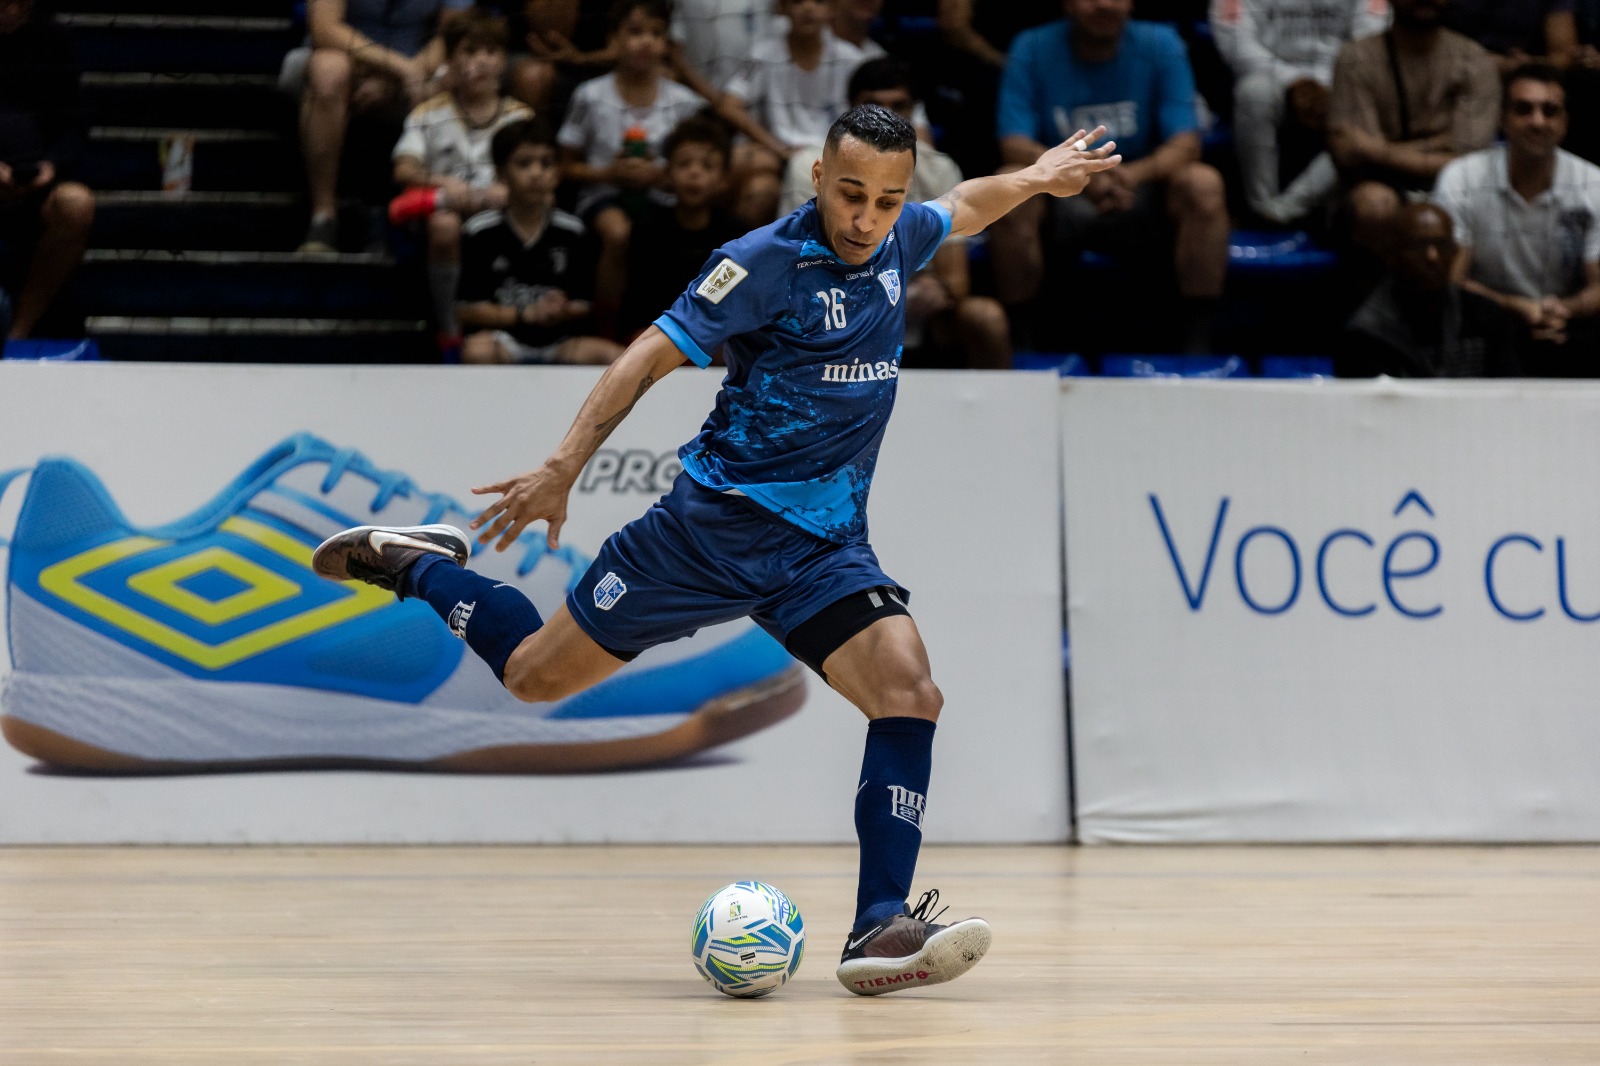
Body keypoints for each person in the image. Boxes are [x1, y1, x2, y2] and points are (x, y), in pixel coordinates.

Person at [312, 104, 1121, 994]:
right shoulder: (762, 263)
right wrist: (562, 466)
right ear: (816, 177)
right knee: (535, 677)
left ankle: (877, 927)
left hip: (823, 549)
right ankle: (417, 564)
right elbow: (646, 358)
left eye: (887, 201)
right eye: (850, 194)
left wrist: (1038, 178)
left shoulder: (898, 242)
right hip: (705, 536)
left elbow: (965, 205)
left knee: (910, 690)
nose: (866, 219)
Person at [987, 0, 1230, 352]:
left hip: (1142, 186)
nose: (1104, 4)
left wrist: (1130, 175)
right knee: (1007, 181)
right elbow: (1014, 144)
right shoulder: (1031, 46)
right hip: (1060, 190)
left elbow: (1186, 143)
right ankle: (1021, 340)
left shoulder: (1162, 43)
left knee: (1203, 184)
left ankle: (1198, 344)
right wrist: (1081, 174)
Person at [778, 58, 1009, 367]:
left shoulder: (938, 168)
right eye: (873, 105)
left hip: (919, 315)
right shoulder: (809, 165)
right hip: (831, 305)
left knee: (985, 318)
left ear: (914, 110)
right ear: (850, 108)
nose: (885, 116)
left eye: (898, 106)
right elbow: (796, 270)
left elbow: (956, 282)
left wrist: (935, 291)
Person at [1433, 62, 1600, 374]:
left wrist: (1562, 309)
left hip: (1566, 323)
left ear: (1565, 122)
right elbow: (1451, 282)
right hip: (1487, 322)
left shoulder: (1594, 184)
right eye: (1524, 109)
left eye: (1550, 111)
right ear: (1503, 120)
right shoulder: (1462, 179)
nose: (1537, 121)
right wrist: (1516, 307)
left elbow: (1598, 285)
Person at [558, 0, 709, 334]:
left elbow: (703, 163)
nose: (646, 42)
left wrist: (661, 175)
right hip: (603, 194)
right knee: (619, 232)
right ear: (614, 38)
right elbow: (565, 167)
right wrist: (607, 174)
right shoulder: (590, 96)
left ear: (667, 44)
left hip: (666, 196)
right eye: (635, 32)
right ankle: (607, 329)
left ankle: (683, 330)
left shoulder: (685, 102)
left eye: (656, 33)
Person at [283, 0, 472, 252]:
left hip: (418, 66)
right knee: (329, 70)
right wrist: (397, 68)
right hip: (345, 58)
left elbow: (452, 33)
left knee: (457, 72)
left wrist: (403, 79)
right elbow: (325, 29)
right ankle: (323, 217)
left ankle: (434, 219)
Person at [390, 9, 533, 341]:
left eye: (490, 52)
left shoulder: (520, 116)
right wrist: (442, 183)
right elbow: (404, 168)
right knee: (444, 225)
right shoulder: (428, 113)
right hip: (448, 208)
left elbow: (540, 171)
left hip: (503, 210)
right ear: (451, 60)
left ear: (503, 60)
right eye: (469, 51)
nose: (480, 62)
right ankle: (447, 328)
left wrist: (508, 190)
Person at [1326, 0, 1500, 253]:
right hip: (1380, 184)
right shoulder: (1356, 57)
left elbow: (1469, 162)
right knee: (1374, 204)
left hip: (1457, 186)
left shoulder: (1474, 60)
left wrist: (1376, 149)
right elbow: (1350, 154)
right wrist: (1443, 140)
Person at [1211, 0, 1391, 225]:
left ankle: (1288, 208)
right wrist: (1293, 82)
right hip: (1270, 77)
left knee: (1368, 105)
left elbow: (1371, 39)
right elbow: (1237, 41)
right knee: (1253, 93)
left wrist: (1333, 85)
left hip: (1342, 78)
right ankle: (1261, 207)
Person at [457, 119, 621, 365]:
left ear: (556, 173)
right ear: (501, 173)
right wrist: (526, 314)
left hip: (561, 342)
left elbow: (585, 304)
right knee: (477, 351)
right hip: (502, 339)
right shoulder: (480, 231)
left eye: (545, 164)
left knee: (613, 356)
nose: (536, 173)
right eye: (524, 164)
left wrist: (561, 310)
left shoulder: (573, 231)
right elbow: (466, 310)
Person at [721, 0, 870, 224]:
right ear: (783, 7)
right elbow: (728, 105)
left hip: (836, 156)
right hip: (778, 154)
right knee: (753, 183)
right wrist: (777, 147)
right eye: (798, 1)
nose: (808, 8)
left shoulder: (851, 59)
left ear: (832, 8)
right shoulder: (765, 54)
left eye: (818, 2)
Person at [1338, 201, 1522, 375]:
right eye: (1419, 246)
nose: (1432, 256)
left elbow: (1509, 395)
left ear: (1455, 252)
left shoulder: (1486, 317)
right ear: (1392, 254)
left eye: (1441, 245)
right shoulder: (1367, 334)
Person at [0, 0, 93, 342]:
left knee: (76, 204)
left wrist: (50, 167)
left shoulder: (54, 39)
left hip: (35, 188)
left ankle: (18, 336)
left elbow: (74, 125)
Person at [619, 115, 742, 339]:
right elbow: (637, 304)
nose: (694, 173)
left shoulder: (736, 237)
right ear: (667, 173)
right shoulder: (647, 231)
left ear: (724, 178)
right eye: (684, 164)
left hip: (714, 343)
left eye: (707, 166)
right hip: (656, 339)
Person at [1443, 0, 1579, 73]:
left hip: (1525, 71)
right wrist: (1490, 64)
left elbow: (1564, 55)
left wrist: (1527, 65)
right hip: (1456, 66)